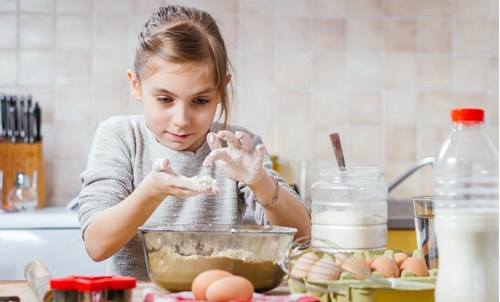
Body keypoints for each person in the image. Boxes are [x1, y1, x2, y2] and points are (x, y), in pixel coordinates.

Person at [77, 5, 311, 280]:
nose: (181, 120)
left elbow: (302, 236)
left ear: (221, 91)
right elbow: (97, 244)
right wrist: (153, 189)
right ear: (136, 85)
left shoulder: (233, 149)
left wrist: (259, 181)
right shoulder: (120, 137)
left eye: (200, 101)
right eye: (165, 99)